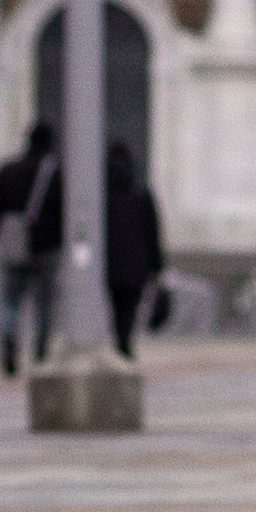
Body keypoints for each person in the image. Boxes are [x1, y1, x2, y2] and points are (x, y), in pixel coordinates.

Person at [0, 120, 62, 376]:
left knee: (11, 301)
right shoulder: (54, 173)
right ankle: (41, 351)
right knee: (44, 303)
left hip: (14, 247)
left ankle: (10, 338)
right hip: (46, 249)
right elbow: (64, 213)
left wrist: (5, 238)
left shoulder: (7, 171)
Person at [104, 139, 164, 361]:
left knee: (114, 303)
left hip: (109, 262)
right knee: (128, 307)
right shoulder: (140, 191)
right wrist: (157, 266)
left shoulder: (100, 194)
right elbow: (153, 232)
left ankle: (120, 342)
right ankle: (124, 343)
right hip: (136, 264)